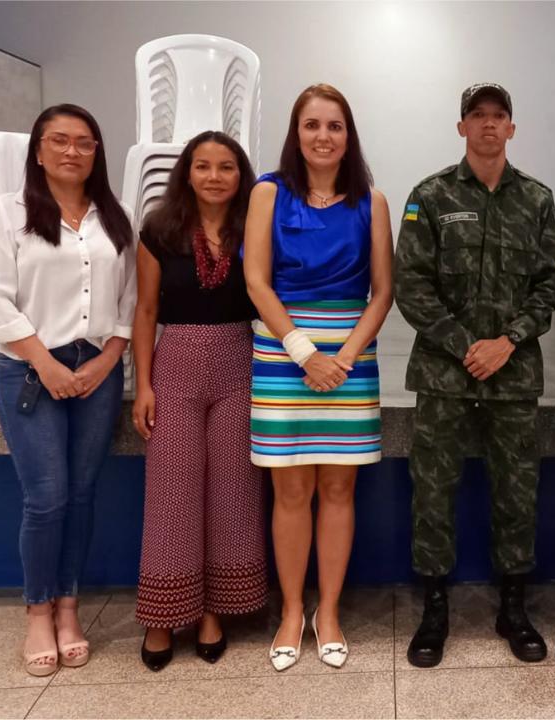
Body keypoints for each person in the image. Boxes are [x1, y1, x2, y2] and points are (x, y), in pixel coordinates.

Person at [393, 83, 555, 668]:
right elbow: (410, 284)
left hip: (513, 376)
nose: (488, 125)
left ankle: (513, 608)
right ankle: (434, 609)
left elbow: (549, 286)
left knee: (517, 494)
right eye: (477, 116)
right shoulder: (430, 195)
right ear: (461, 126)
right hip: (445, 376)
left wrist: (507, 341)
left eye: (499, 116)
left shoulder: (537, 199)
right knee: (432, 494)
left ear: (512, 128)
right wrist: (470, 346)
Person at [0, 104, 135, 676]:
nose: (72, 151)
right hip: (28, 369)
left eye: (84, 142)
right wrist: (45, 363)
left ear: (98, 151)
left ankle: (70, 607)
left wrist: (108, 361)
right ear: (38, 150)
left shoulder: (114, 217)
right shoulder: (7, 212)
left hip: (97, 367)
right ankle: (38, 611)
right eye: (60, 141)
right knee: (46, 497)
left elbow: (129, 304)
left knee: (83, 494)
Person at [243, 84, 394, 671]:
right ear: (295, 131)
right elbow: (257, 281)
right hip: (284, 352)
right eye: (312, 125)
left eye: (334, 126)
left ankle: (327, 610)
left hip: (351, 355)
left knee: (338, 489)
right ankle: (289, 611)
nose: (323, 136)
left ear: (348, 135)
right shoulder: (268, 193)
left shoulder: (372, 201)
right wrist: (304, 351)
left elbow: (383, 291)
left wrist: (346, 356)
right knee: (290, 490)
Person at [131, 131, 264, 671]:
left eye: (227, 167)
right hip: (177, 361)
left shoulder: (253, 229)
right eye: (204, 166)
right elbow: (143, 311)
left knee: (233, 488)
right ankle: (163, 615)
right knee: (172, 490)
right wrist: (143, 384)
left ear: (241, 175)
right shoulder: (159, 231)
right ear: (187, 172)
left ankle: (215, 611)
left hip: (239, 357)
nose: (214, 176)